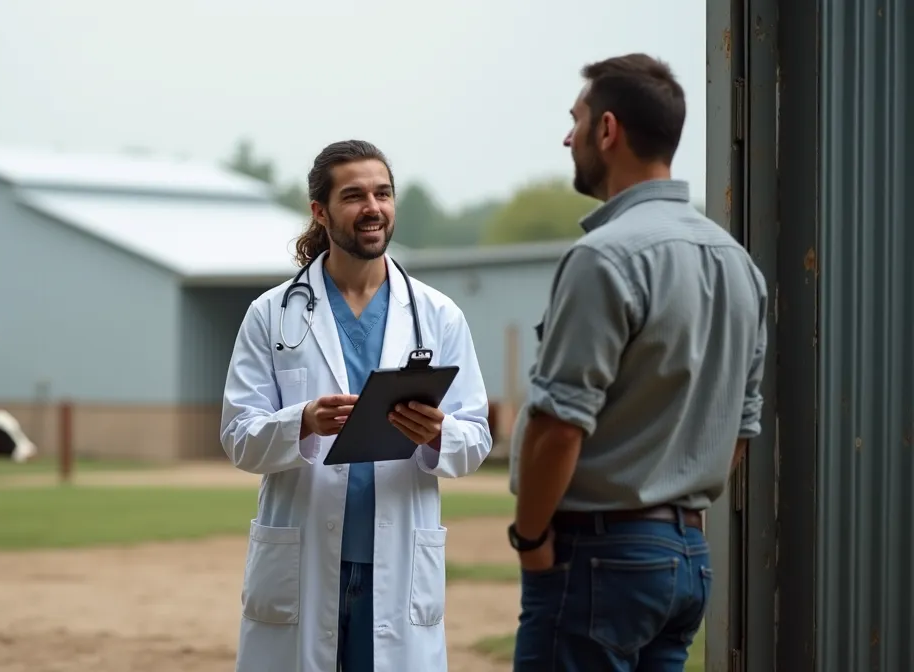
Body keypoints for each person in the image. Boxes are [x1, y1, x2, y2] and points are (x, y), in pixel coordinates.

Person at [506, 53, 769, 671]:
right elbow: (740, 429)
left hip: (598, 555)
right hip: (685, 558)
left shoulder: (604, 257)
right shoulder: (738, 263)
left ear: (608, 130)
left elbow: (559, 425)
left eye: (576, 120)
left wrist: (533, 539)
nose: (567, 137)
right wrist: (679, 517)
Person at [220, 139, 494, 672]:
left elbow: (477, 437)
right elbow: (238, 436)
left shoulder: (438, 316)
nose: (373, 207)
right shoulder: (270, 315)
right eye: (354, 196)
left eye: (383, 193)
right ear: (320, 212)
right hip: (302, 559)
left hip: (397, 563)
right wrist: (301, 420)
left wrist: (438, 433)